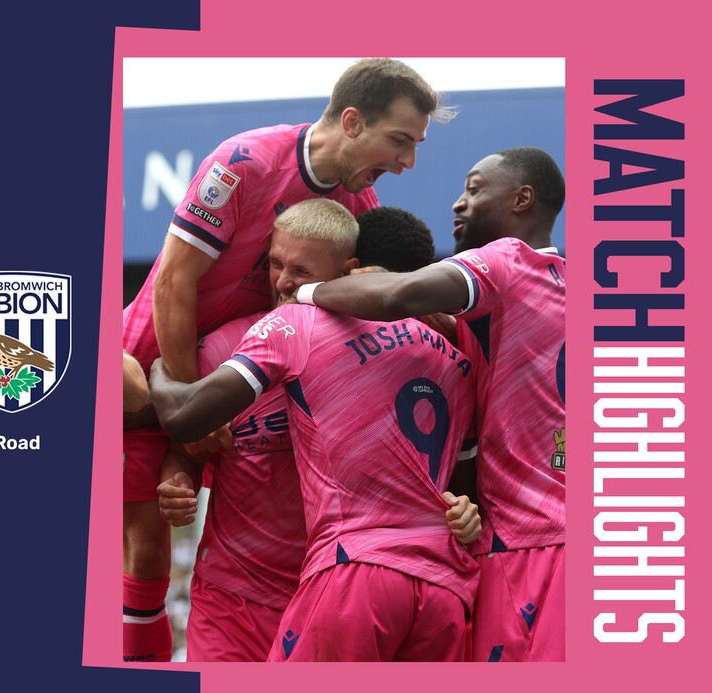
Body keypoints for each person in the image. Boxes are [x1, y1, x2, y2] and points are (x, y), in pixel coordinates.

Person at [122, 58, 452, 662]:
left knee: (157, 549)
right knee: (143, 555)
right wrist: (192, 404)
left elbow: (377, 291)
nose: (408, 161)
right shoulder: (244, 161)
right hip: (158, 369)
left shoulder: (361, 201)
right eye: (400, 140)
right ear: (351, 122)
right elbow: (173, 280)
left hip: (242, 382)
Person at [150, 199, 480, 662]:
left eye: (302, 271)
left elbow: (184, 413)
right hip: (238, 594)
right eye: (275, 264)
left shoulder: (300, 329)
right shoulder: (450, 353)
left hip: (341, 578)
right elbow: (186, 445)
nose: (283, 282)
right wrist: (178, 478)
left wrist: (157, 367)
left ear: (349, 273)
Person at [292, 147, 566, 662]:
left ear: (522, 199)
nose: (459, 203)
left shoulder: (506, 260)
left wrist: (305, 291)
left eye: (475, 189)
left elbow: (398, 295)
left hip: (528, 543)